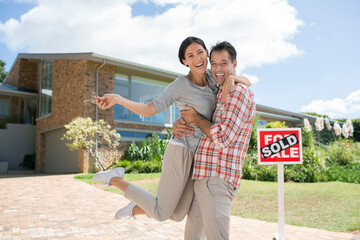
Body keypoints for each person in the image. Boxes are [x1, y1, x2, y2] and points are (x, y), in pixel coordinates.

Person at [92, 37, 251, 222]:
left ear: (207, 53)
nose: (197, 58)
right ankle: (114, 178)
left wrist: (233, 77)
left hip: (198, 158)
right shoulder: (181, 85)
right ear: (184, 62)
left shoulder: (212, 77)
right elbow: (150, 109)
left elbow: (246, 81)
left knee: (177, 213)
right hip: (181, 149)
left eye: (200, 52)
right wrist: (118, 99)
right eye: (190, 56)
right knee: (161, 213)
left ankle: (137, 207)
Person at [175, 41, 256, 240]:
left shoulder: (237, 92)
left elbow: (223, 137)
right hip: (205, 178)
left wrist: (197, 119)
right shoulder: (219, 90)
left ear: (234, 64)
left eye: (224, 63)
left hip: (216, 178)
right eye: (214, 63)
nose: (218, 69)